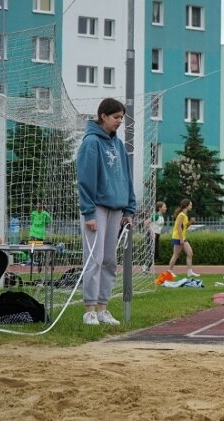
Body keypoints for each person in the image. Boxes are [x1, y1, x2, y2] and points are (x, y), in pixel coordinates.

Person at [76, 98, 136, 325]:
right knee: (95, 257)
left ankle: (103, 308)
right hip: (97, 208)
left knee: (110, 259)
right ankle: (89, 310)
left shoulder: (119, 145)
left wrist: (129, 208)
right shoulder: (91, 142)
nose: (119, 121)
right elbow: (85, 179)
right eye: (116, 117)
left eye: (122, 117)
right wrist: (89, 213)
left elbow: (126, 179)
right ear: (103, 116)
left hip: (117, 208)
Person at [167, 199, 200, 278]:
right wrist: (181, 239)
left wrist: (190, 222)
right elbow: (178, 227)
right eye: (191, 205)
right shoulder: (181, 215)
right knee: (176, 255)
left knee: (190, 253)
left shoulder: (185, 215)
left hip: (182, 237)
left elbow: (185, 226)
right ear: (186, 205)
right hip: (178, 237)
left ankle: (189, 272)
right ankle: (169, 271)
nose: (191, 206)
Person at [144, 201, 166, 273]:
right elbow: (146, 222)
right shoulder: (156, 215)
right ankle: (145, 268)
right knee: (151, 252)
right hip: (151, 235)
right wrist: (152, 232)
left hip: (156, 235)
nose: (166, 208)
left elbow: (157, 226)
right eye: (164, 207)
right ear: (160, 208)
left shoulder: (161, 216)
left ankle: (147, 268)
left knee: (155, 253)